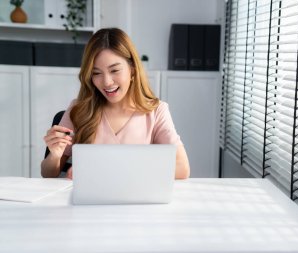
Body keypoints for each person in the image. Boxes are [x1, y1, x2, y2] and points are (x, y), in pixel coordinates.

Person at [41, 28, 190, 179]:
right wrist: (54, 156)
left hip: (135, 200)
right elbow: (47, 174)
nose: (106, 82)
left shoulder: (156, 111)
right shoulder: (78, 109)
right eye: (96, 73)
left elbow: (182, 168)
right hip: (89, 201)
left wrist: (112, 172)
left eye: (114, 70)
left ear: (132, 70)